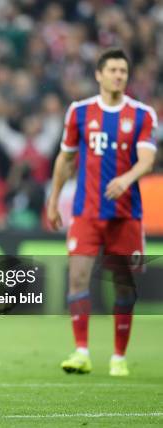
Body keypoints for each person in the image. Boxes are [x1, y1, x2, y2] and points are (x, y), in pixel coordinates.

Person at [47, 48, 157, 377]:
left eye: (123, 70)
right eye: (112, 69)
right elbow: (65, 159)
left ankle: (119, 356)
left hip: (126, 215)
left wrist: (127, 178)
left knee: (124, 285)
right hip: (86, 212)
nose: (118, 75)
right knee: (77, 278)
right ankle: (81, 351)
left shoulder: (142, 114)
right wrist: (53, 199)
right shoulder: (79, 112)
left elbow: (148, 159)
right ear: (99, 74)